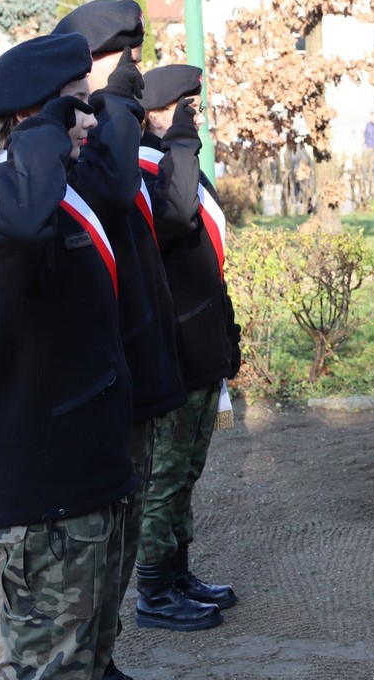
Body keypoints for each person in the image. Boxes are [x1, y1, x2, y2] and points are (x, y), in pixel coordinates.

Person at [0, 32, 138, 680]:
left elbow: (118, 184)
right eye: (76, 104)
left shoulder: (53, 185)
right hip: (45, 482)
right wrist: (43, 127)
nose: (88, 118)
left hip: (86, 466)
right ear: (35, 116)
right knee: (51, 668)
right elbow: (24, 226)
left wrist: (89, 109)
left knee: (90, 658)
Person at [52, 0, 196, 680]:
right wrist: (112, 104)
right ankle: (93, 660)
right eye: (121, 62)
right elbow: (110, 190)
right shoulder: (78, 146)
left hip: (135, 371)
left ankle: (103, 661)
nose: (134, 73)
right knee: (97, 550)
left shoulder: (110, 131)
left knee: (122, 538)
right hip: (99, 387)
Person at [136, 64, 242, 633]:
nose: (194, 118)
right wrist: (178, 139)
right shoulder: (144, 166)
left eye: (194, 109)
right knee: (166, 478)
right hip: (173, 352)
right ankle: (154, 592)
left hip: (200, 348)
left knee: (187, 473)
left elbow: (207, 260)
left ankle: (177, 575)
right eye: (185, 108)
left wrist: (226, 336)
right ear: (156, 114)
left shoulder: (178, 164)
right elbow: (174, 218)